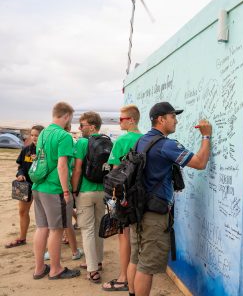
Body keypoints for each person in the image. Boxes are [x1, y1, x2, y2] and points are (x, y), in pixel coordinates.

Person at [127, 102, 212, 296]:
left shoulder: (141, 141)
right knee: (147, 266)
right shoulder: (166, 145)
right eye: (173, 116)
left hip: (137, 210)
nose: (176, 121)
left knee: (136, 258)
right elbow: (199, 163)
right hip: (153, 215)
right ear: (161, 119)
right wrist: (206, 136)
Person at [31, 101, 81, 280]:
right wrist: (66, 191)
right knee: (57, 229)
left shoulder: (43, 132)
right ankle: (55, 268)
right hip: (54, 189)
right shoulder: (64, 136)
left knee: (42, 227)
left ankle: (39, 268)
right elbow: (62, 166)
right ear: (66, 116)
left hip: (38, 186)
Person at [102, 104, 143, 292]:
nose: (119, 122)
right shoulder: (145, 140)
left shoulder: (122, 141)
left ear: (131, 120)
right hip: (143, 196)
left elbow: (114, 171)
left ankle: (124, 276)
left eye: (121, 119)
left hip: (125, 196)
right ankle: (137, 273)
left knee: (123, 236)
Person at [71, 111, 106, 283]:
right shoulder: (107, 141)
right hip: (102, 191)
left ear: (92, 126)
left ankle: (92, 269)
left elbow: (77, 169)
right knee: (99, 228)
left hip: (85, 191)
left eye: (82, 125)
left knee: (87, 230)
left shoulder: (82, 142)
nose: (79, 128)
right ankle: (98, 261)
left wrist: (73, 189)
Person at [4, 125, 44, 248]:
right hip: (26, 186)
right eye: (32, 135)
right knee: (22, 211)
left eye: (37, 135)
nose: (34, 137)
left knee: (47, 214)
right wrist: (20, 174)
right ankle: (22, 238)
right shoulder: (26, 149)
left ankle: (64, 234)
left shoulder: (46, 150)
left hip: (42, 186)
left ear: (43, 135)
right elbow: (20, 166)